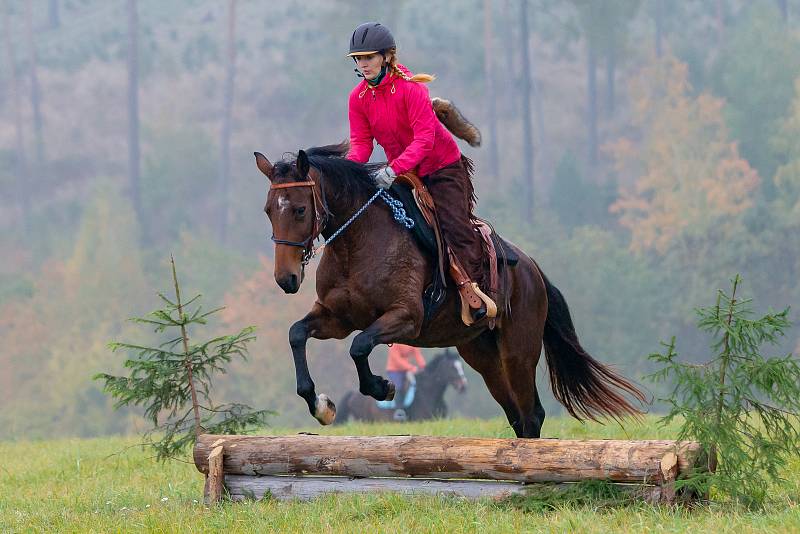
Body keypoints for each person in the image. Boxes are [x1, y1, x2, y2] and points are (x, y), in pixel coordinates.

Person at [345, 22, 496, 324]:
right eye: (358, 60)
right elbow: (361, 143)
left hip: (442, 169)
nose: (363, 65)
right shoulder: (357, 98)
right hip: (403, 175)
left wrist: (392, 169)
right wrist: (350, 173)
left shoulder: (412, 90)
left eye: (369, 58)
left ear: (387, 57)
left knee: (455, 227)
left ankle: (480, 292)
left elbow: (424, 141)